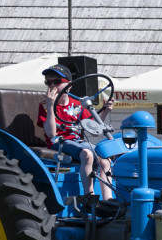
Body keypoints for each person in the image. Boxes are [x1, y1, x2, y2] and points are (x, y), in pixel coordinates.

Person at [37, 63, 114, 200]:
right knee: (87, 154)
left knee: (105, 158)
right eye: (48, 82)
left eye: (57, 81)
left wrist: (105, 111)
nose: (52, 85)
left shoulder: (78, 104)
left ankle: (108, 200)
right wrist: (50, 104)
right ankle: (89, 197)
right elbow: (51, 134)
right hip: (59, 142)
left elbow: (95, 131)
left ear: (69, 85)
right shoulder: (45, 105)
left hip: (78, 142)